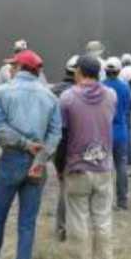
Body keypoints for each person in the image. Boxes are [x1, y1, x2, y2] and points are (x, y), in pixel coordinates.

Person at [0, 50, 61, 259]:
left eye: (14, 65)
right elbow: (55, 133)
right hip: (37, 165)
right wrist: (40, 158)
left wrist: (24, 144)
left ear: (20, 68)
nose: (11, 68)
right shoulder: (50, 97)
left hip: (11, 159)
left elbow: (1, 130)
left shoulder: (4, 92)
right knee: (27, 222)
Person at [60, 56, 118, 259]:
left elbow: (63, 135)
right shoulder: (111, 96)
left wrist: (60, 165)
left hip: (77, 166)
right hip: (104, 165)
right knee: (103, 221)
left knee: (78, 220)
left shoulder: (67, 97)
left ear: (80, 72)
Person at [51, 55, 79, 241]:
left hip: (57, 144)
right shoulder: (81, 94)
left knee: (63, 187)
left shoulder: (54, 91)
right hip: (77, 145)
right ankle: (75, 228)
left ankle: (61, 227)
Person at [103, 57, 131, 209]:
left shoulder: (100, 87)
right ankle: (122, 201)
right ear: (119, 70)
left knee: (103, 167)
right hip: (121, 131)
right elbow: (128, 107)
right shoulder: (126, 87)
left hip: (103, 132)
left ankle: (104, 201)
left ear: (105, 71)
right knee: (121, 166)